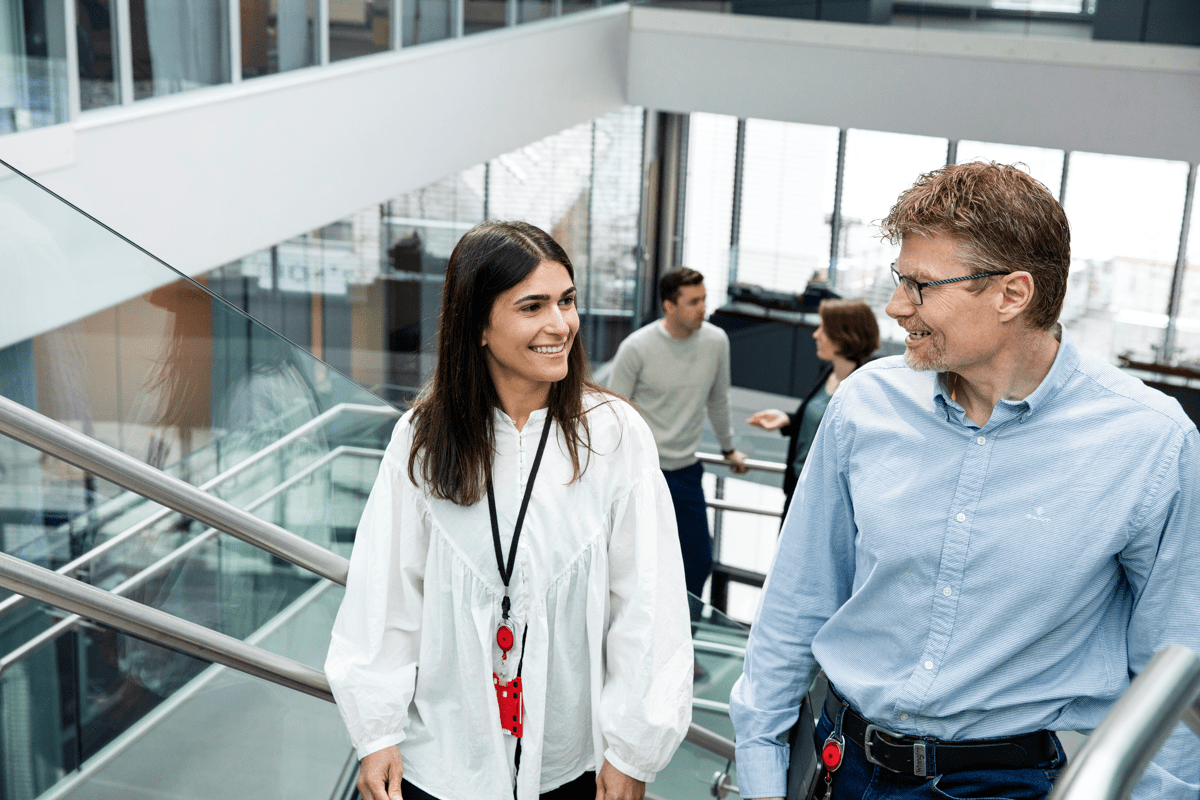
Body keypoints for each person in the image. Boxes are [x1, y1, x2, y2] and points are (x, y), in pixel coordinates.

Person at [729, 162, 1199, 799]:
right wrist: (759, 770)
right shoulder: (866, 404)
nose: (896, 308)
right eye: (900, 280)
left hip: (1010, 783)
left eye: (921, 285)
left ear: (1012, 294)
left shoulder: (1149, 440)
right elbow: (797, 600)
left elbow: (1175, 663)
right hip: (844, 766)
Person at [325, 221, 693, 800]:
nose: (560, 324)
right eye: (533, 306)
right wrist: (376, 732)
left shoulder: (615, 435)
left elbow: (648, 607)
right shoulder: (422, 438)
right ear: (478, 326)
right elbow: (386, 595)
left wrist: (632, 752)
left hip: (570, 767)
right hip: (441, 762)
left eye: (567, 301)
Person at [607, 267, 748, 603]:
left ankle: (685, 642)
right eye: (693, 301)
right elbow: (612, 413)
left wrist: (729, 448)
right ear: (669, 305)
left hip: (685, 473)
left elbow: (718, 399)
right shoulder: (636, 348)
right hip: (641, 473)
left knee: (697, 563)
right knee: (638, 565)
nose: (703, 308)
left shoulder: (716, 341)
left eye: (704, 299)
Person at [747, 299, 879, 519]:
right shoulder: (827, 370)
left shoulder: (867, 384)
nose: (816, 335)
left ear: (844, 334)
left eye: (824, 330)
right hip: (798, 487)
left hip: (828, 502)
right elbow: (819, 420)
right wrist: (788, 419)